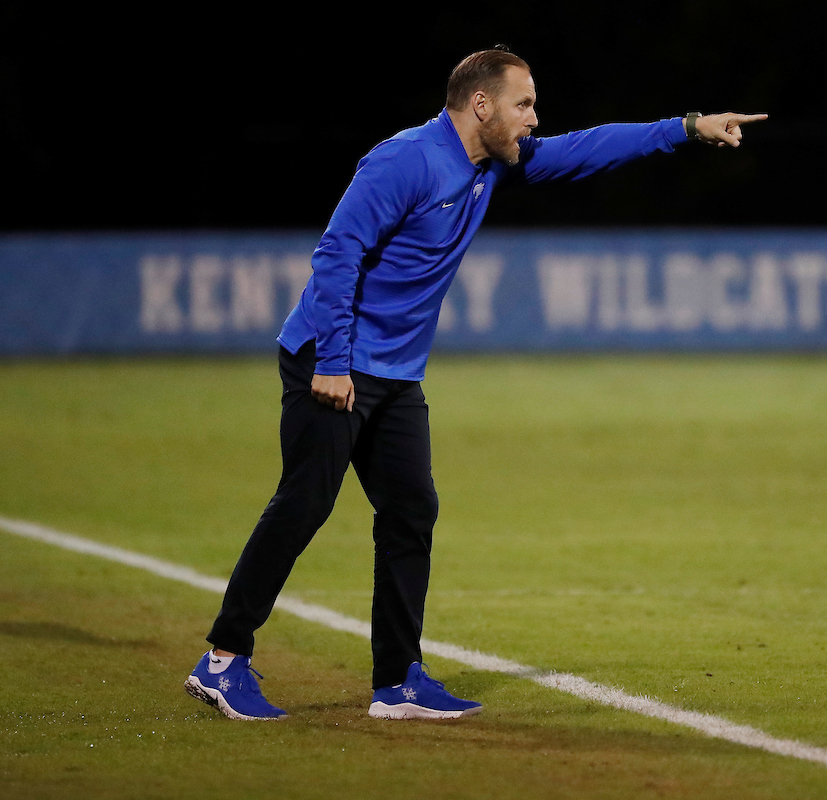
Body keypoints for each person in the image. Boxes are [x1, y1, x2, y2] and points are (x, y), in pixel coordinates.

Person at [183, 46, 767, 721]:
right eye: (524, 103)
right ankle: (223, 661)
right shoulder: (405, 160)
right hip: (332, 357)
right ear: (481, 105)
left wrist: (687, 127)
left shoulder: (493, 162)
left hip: (395, 373)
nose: (534, 117)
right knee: (305, 503)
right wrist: (335, 362)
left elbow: (588, 148)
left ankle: (398, 681)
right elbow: (337, 252)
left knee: (411, 512)